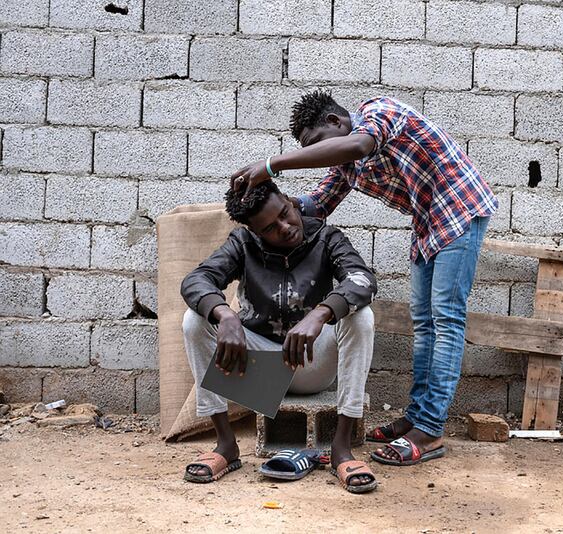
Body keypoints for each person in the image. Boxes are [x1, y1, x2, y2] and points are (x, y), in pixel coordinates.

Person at [231, 91, 497, 466]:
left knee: (446, 319)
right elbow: (316, 206)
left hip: (459, 207)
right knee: (423, 324)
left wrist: (273, 165)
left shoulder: (378, 112)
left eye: (317, 145)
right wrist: (268, 206)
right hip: (427, 221)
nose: (319, 155)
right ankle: (417, 416)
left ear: (337, 122)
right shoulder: (348, 165)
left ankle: (431, 428)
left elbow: (357, 145)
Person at [180, 179, 378, 492]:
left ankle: (341, 449)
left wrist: (320, 313)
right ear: (255, 232)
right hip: (261, 373)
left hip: (315, 367)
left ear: (288, 200)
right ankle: (226, 447)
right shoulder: (242, 243)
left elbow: (362, 279)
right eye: (270, 228)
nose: (285, 227)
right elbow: (196, 280)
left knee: (361, 316)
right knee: (194, 320)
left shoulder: (326, 237)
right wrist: (225, 313)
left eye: (285, 213)